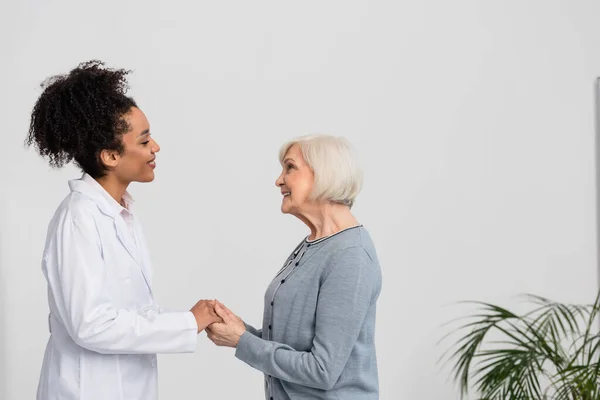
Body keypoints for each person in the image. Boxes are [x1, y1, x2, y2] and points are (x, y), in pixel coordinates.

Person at [26, 60, 220, 400]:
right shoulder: (78, 219)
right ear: (110, 156)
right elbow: (91, 325)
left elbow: (129, 313)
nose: (155, 147)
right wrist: (187, 323)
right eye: (144, 141)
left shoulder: (119, 213)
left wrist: (190, 323)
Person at [206, 134, 382, 400]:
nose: (279, 180)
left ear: (324, 174)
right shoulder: (315, 243)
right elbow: (294, 345)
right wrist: (241, 330)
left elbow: (322, 370)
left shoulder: (351, 255)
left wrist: (242, 341)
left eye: (290, 168)